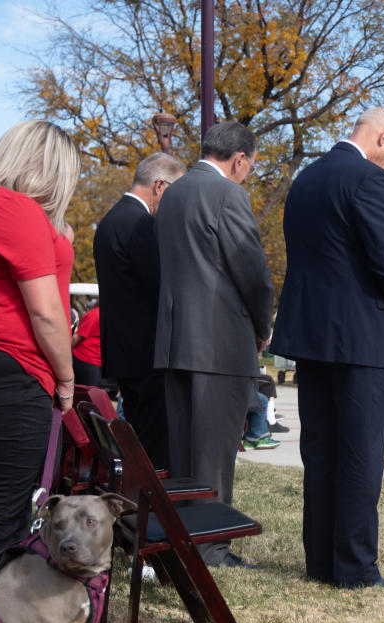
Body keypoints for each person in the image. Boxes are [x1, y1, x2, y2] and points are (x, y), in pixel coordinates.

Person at [270, 107, 384, 588]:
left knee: (322, 451)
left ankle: (321, 563)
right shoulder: (368, 178)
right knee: (359, 454)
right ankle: (354, 568)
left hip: (311, 336)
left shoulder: (305, 179)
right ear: (383, 135)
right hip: (359, 334)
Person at [154, 122, 273, 568]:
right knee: (213, 455)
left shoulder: (173, 194)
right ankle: (209, 548)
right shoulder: (228, 195)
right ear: (239, 159)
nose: (247, 175)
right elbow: (252, 272)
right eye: (250, 167)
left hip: (174, 342)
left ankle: (184, 540)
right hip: (218, 344)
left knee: (183, 452)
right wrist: (263, 326)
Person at [0, 120, 80, 560]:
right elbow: (45, 311)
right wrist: (66, 378)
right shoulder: (16, 209)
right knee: (1, 521)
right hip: (15, 372)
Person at [93, 152, 186, 470]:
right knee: (155, 450)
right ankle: (152, 514)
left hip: (124, 352)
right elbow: (163, 283)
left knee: (140, 439)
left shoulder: (111, 220)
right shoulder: (140, 223)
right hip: (148, 354)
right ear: (160, 185)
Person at [71, 302, 102, 386]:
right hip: (86, 360)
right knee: (87, 394)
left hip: (94, 361)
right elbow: (77, 337)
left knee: (90, 393)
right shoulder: (94, 314)